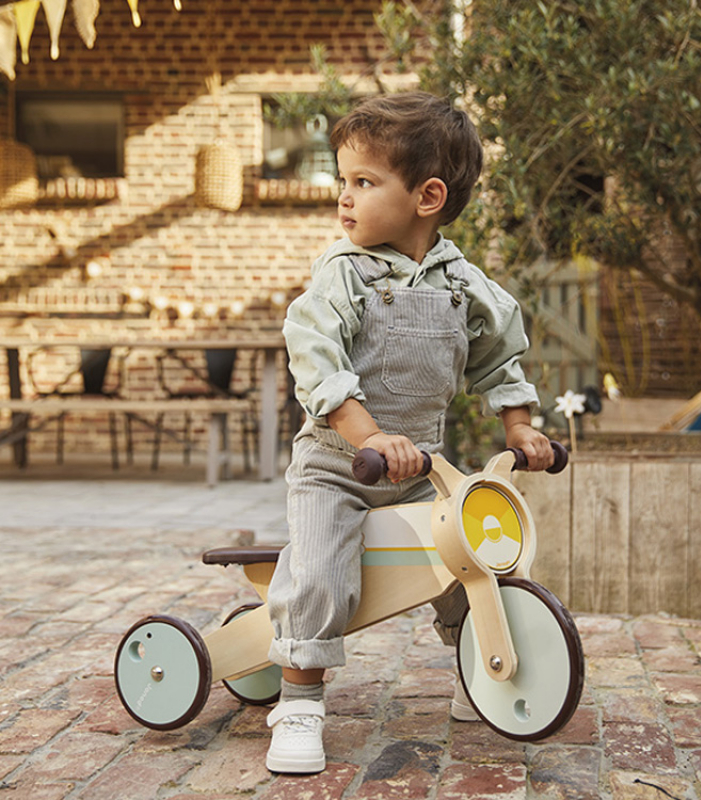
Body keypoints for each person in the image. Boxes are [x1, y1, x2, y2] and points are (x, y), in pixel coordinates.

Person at [265, 91, 554, 774]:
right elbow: (316, 356)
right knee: (320, 572)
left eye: (363, 182)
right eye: (342, 181)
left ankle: (477, 666)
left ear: (427, 197)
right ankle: (300, 700)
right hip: (339, 466)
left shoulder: (462, 283)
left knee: (471, 553)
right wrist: (365, 434)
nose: (344, 198)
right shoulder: (341, 273)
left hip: (420, 468)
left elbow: (499, 356)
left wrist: (520, 426)